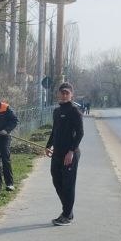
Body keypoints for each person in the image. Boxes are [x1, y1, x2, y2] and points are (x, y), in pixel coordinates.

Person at [44, 82, 84, 226]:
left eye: (67, 93)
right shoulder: (56, 111)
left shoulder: (75, 111)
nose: (64, 95)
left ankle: (67, 215)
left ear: (71, 95)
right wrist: (48, 145)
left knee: (68, 185)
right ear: (58, 94)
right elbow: (55, 131)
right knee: (57, 181)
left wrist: (71, 151)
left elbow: (80, 133)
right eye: (62, 92)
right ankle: (67, 210)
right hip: (57, 154)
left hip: (70, 154)